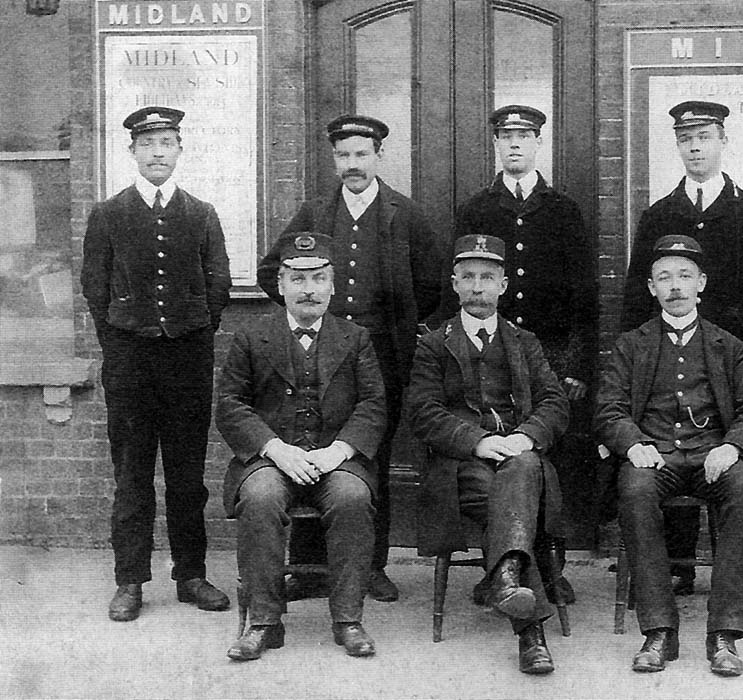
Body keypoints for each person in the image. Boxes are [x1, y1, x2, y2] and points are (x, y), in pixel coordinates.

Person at [257, 115, 443, 602]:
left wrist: (399, 326)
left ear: (379, 156)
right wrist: (307, 320)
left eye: (362, 155)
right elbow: (270, 271)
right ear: (334, 160)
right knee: (310, 438)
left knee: (369, 454)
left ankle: (370, 566)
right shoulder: (315, 213)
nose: (353, 165)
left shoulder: (405, 214)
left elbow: (431, 285)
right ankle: (309, 566)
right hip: (319, 353)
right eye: (344, 156)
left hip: (383, 354)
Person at [620, 100, 743, 603]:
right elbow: (634, 295)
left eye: (704, 137)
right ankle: (677, 568)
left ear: (722, 142)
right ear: (678, 145)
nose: (695, 147)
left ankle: (738, 575)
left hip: (734, 361)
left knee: (731, 460)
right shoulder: (661, 214)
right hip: (670, 352)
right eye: (686, 139)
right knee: (671, 436)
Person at [595, 235, 743, 677]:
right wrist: (634, 444)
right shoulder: (630, 345)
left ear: (702, 284)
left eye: (684, 276)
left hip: (713, 455)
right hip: (654, 456)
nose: (675, 286)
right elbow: (608, 409)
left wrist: (732, 446)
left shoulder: (728, 346)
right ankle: (658, 631)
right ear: (651, 289)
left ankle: (726, 633)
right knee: (634, 490)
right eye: (664, 278)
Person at [81, 106, 232, 622]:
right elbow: (94, 289)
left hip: (187, 359)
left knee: (188, 476)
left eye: (167, 142)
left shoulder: (201, 213)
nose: (158, 153)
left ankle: (190, 574)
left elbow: (218, 287)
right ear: (133, 153)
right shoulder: (108, 215)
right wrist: (123, 340)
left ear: (180, 149)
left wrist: (190, 333)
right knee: (133, 474)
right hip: (129, 362)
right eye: (148, 144)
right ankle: (130, 581)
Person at [443, 104, 598, 604]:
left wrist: (575, 365)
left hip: (549, 350)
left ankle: (552, 565)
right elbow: (465, 285)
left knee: (551, 453)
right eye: (505, 137)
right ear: (496, 145)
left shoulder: (562, 209)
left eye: (524, 137)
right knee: (502, 455)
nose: (514, 146)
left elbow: (584, 294)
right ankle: (506, 565)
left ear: (537, 145)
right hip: (493, 346)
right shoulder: (477, 208)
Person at [216, 232, 386, 661]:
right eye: (297, 279)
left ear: (333, 285)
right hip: (273, 459)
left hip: (334, 458)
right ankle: (263, 623)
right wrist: (275, 449)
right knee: (260, 497)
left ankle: (348, 619)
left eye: (317, 279)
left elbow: (373, 404)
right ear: (280, 285)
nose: (308, 289)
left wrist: (339, 450)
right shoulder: (252, 337)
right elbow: (231, 405)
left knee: (352, 496)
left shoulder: (355, 338)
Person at [408, 234, 570, 675]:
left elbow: (554, 402)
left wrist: (525, 436)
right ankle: (528, 628)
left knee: (521, 468)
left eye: (487, 278)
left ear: (502, 285)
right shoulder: (434, 343)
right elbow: (423, 412)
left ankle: (505, 578)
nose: (478, 287)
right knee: (510, 487)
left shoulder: (524, 342)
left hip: (521, 456)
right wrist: (477, 441)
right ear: (455, 284)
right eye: (469, 278)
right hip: (463, 465)